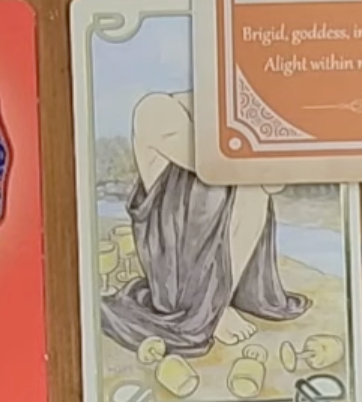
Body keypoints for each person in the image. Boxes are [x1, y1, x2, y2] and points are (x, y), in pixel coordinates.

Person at [99, 91, 307, 356]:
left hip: (230, 270)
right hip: (177, 273)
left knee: (254, 189)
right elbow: (210, 163)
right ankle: (210, 311)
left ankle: (219, 303)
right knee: (241, 180)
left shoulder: (237, 114)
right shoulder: (158, 109)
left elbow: (273, 182)